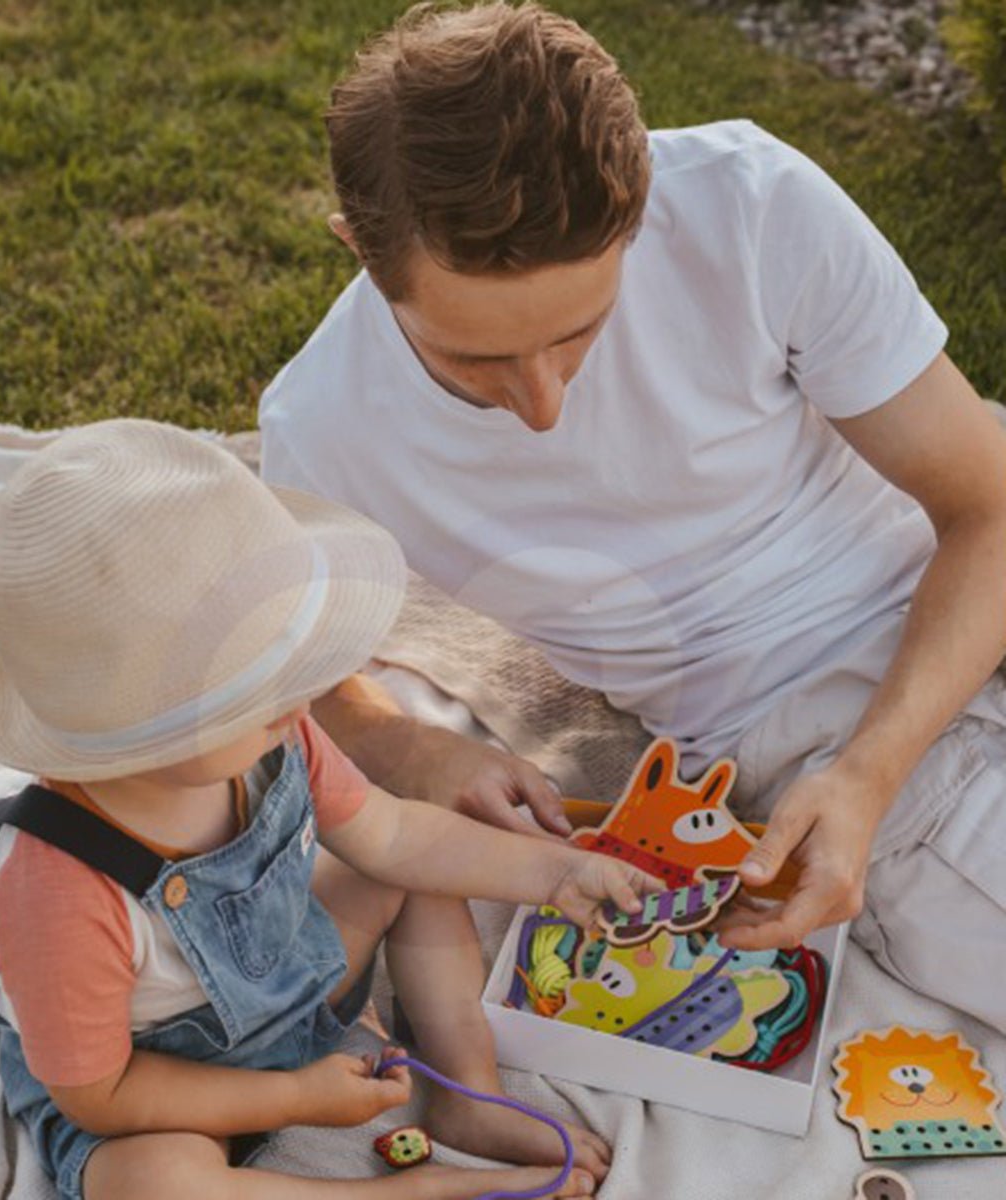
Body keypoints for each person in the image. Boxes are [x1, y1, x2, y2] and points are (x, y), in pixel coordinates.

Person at [258, 1, 1006, 1032]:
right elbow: (293, 673)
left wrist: (868, 780)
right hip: (805, 713)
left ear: (644, 207)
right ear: (357, 247)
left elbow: (987, 506)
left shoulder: (752, 207)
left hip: (954, 607)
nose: (543, 405)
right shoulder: (322, 429)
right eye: (473, 360)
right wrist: (422, 756)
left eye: (581, 332)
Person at [0, 419, 656, 1200]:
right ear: (134, 731)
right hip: (159, 1088)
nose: (300, 697)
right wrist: (302, 1098)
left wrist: (557, 874)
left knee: (418, 861)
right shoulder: (56, 891)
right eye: (257, 684)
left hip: (291, 987)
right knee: (151, 1183)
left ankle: (463, 1089)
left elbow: (392, 837)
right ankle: (402, 1192)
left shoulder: (276, 735)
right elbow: (99, 1095)